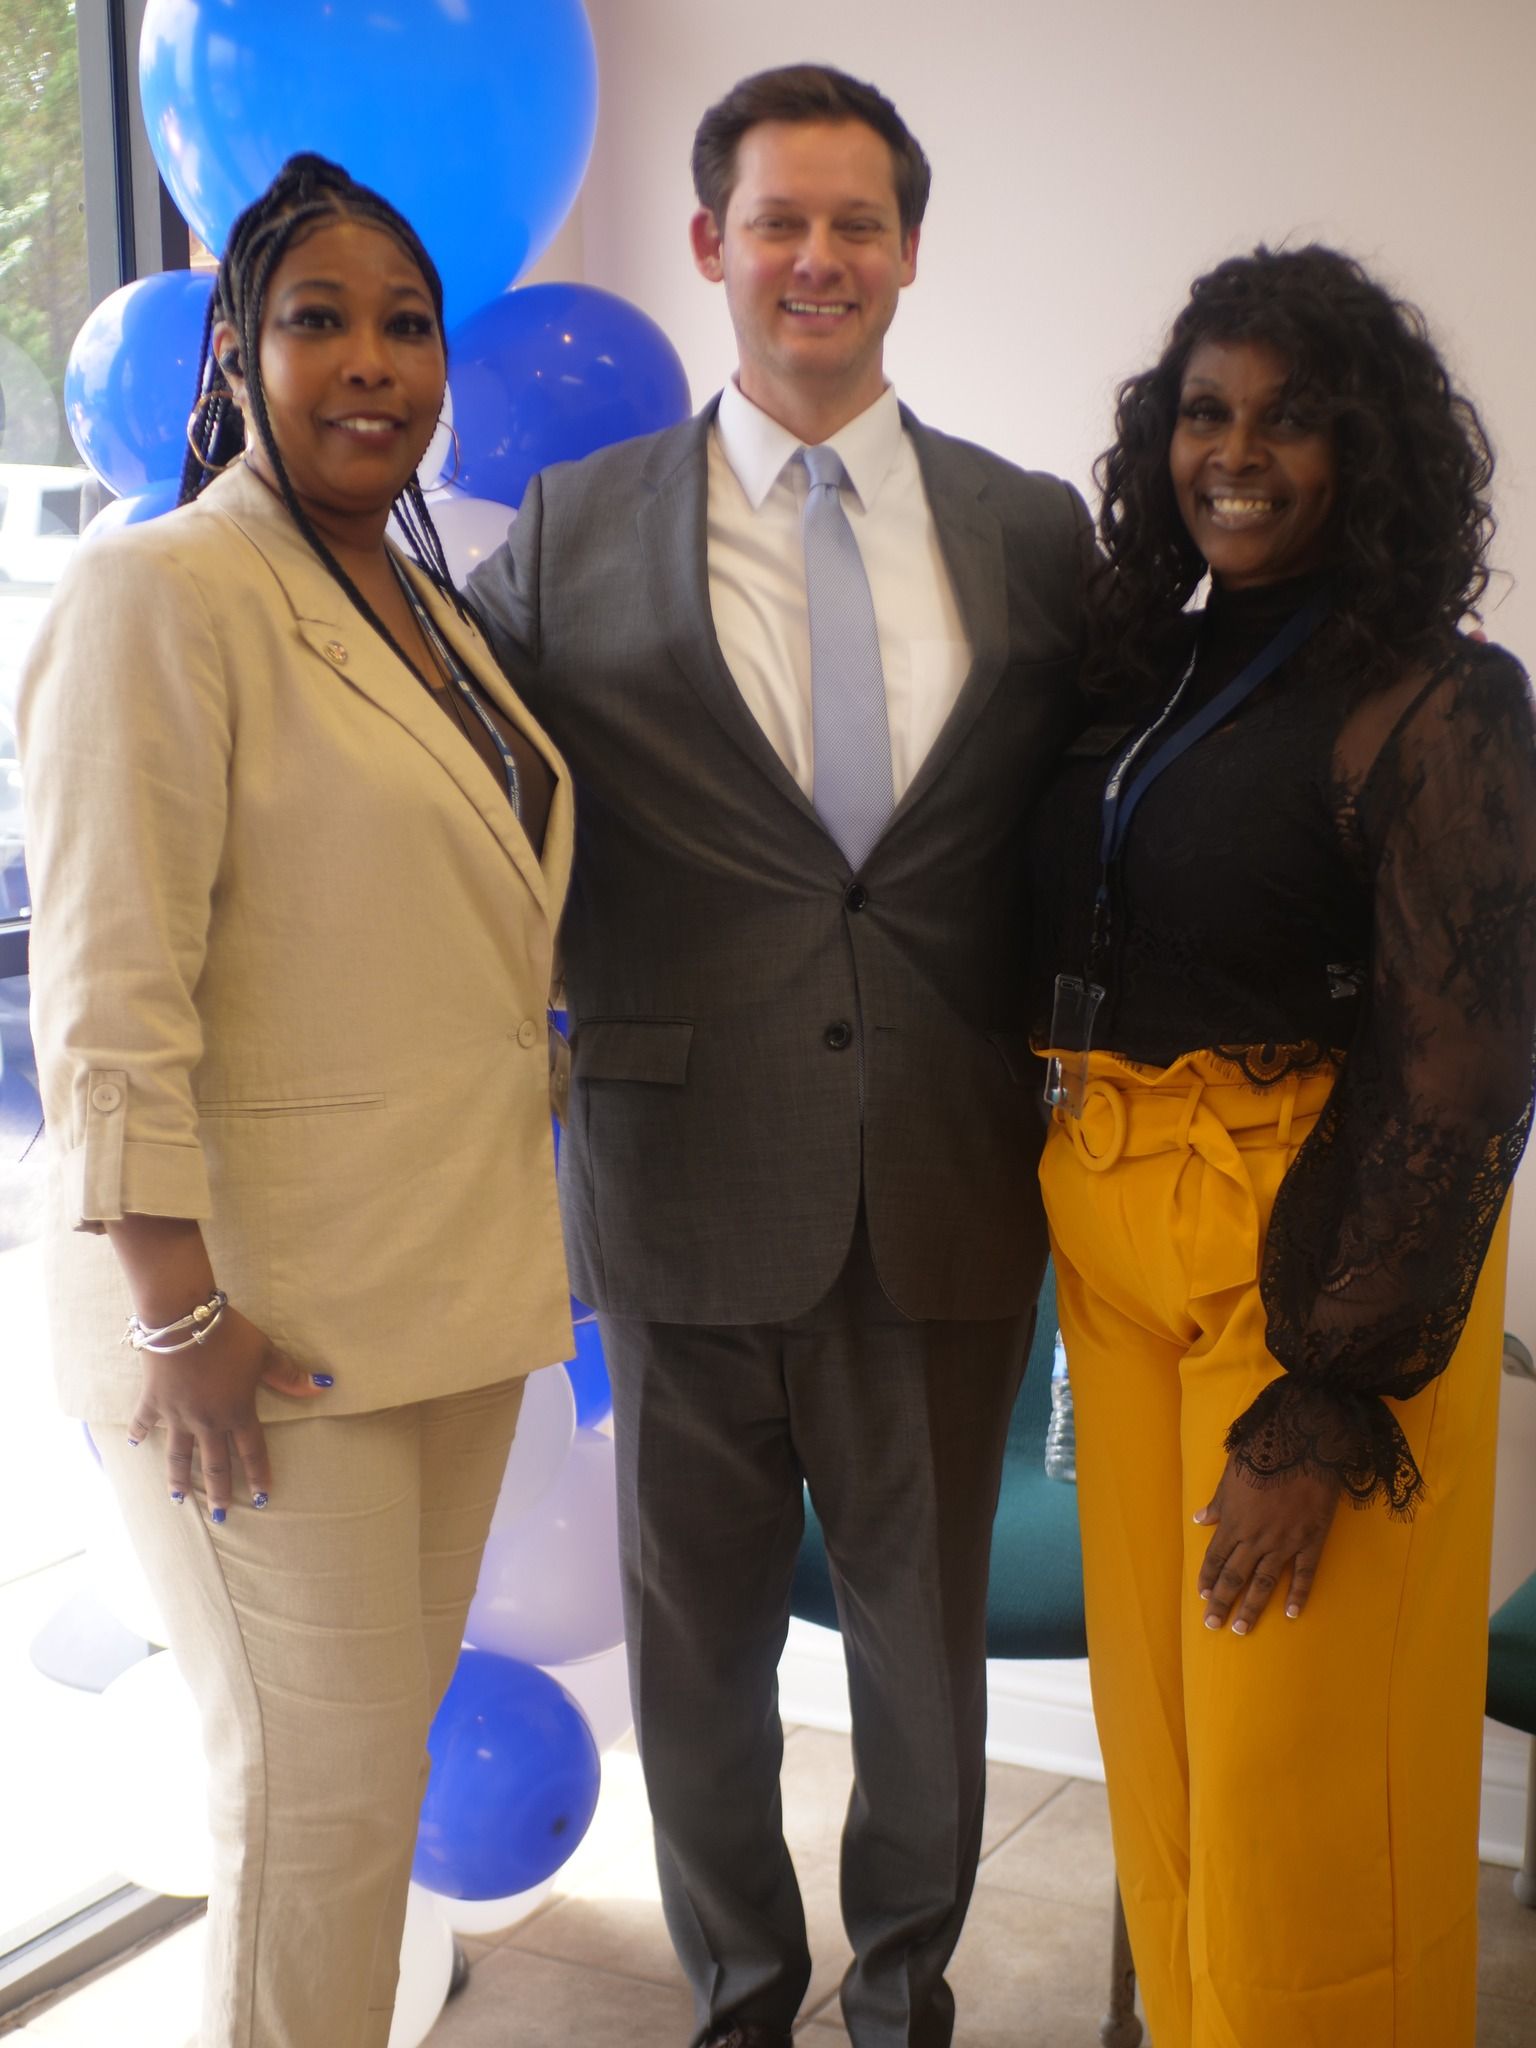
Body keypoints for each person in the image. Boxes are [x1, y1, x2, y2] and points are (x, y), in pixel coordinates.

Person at [470, 62, 1093, 2048]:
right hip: (677, 1183)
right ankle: (741, 1996)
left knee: (923, 1659)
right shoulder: (572, 531)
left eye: (856, 223)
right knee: (701, 1657)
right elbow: (442, 790)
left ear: (908, 252)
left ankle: (904, 1995)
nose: (817, 257)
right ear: (708, 243)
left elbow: (1104, 818)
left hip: (944, 1175)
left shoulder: (1032, 533)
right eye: (778, 221)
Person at [19, 155, 573, 2048]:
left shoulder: (430, 608)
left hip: (442, 1299)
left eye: (405, 326)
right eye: (317, 320)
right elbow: (109, 988)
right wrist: (179, 1316)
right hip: (250, 1329)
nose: (370, 362)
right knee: (312, 1810)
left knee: (363, 1796)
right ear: (236, 356)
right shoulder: (160, 590)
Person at [1030, 244, 1536, 2048]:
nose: (1236, 454)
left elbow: (1464, 1078)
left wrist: (1326, 1396)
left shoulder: (1441, 696)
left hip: (1314, 1265)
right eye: (1205, 413)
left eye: (1291, 418)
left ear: (1367, 450)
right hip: (1116, 1240)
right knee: (1168, 1768)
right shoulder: (1148, 669)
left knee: (1297, 1801)